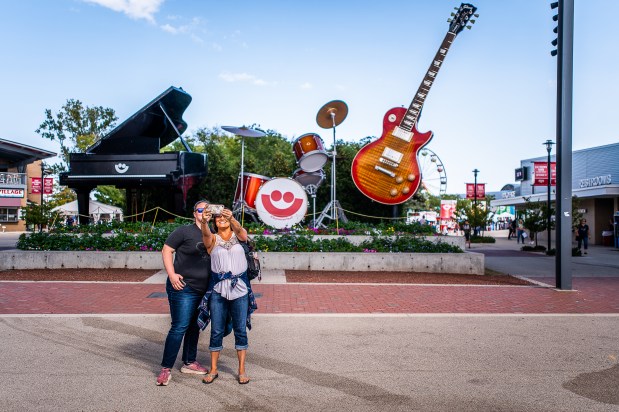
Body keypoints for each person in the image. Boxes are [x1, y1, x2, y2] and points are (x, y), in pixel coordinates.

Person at [199, 207, 257, 385]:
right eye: (218, 218)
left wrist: (231, 218)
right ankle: (214, 369)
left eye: (223, 216)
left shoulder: (239, 237)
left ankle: (241, 370)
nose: (221, 219)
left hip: (240, 289)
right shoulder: (212, 239)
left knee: (240, 330)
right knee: (216, 330)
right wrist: (204, 222)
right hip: (218, 290)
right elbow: (206, 234)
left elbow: (240, 230)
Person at [156, 200, 211, 386]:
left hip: (204, 289)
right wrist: (171, 274)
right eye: (200, 209)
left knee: (195, 326)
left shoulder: (213, 233)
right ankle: (165, 369)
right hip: (183, 286)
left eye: (207, 210)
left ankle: (189, 362)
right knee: (179, 326)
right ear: (195, 213)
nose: (203, 212)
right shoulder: (184, 231)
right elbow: (166, 250)